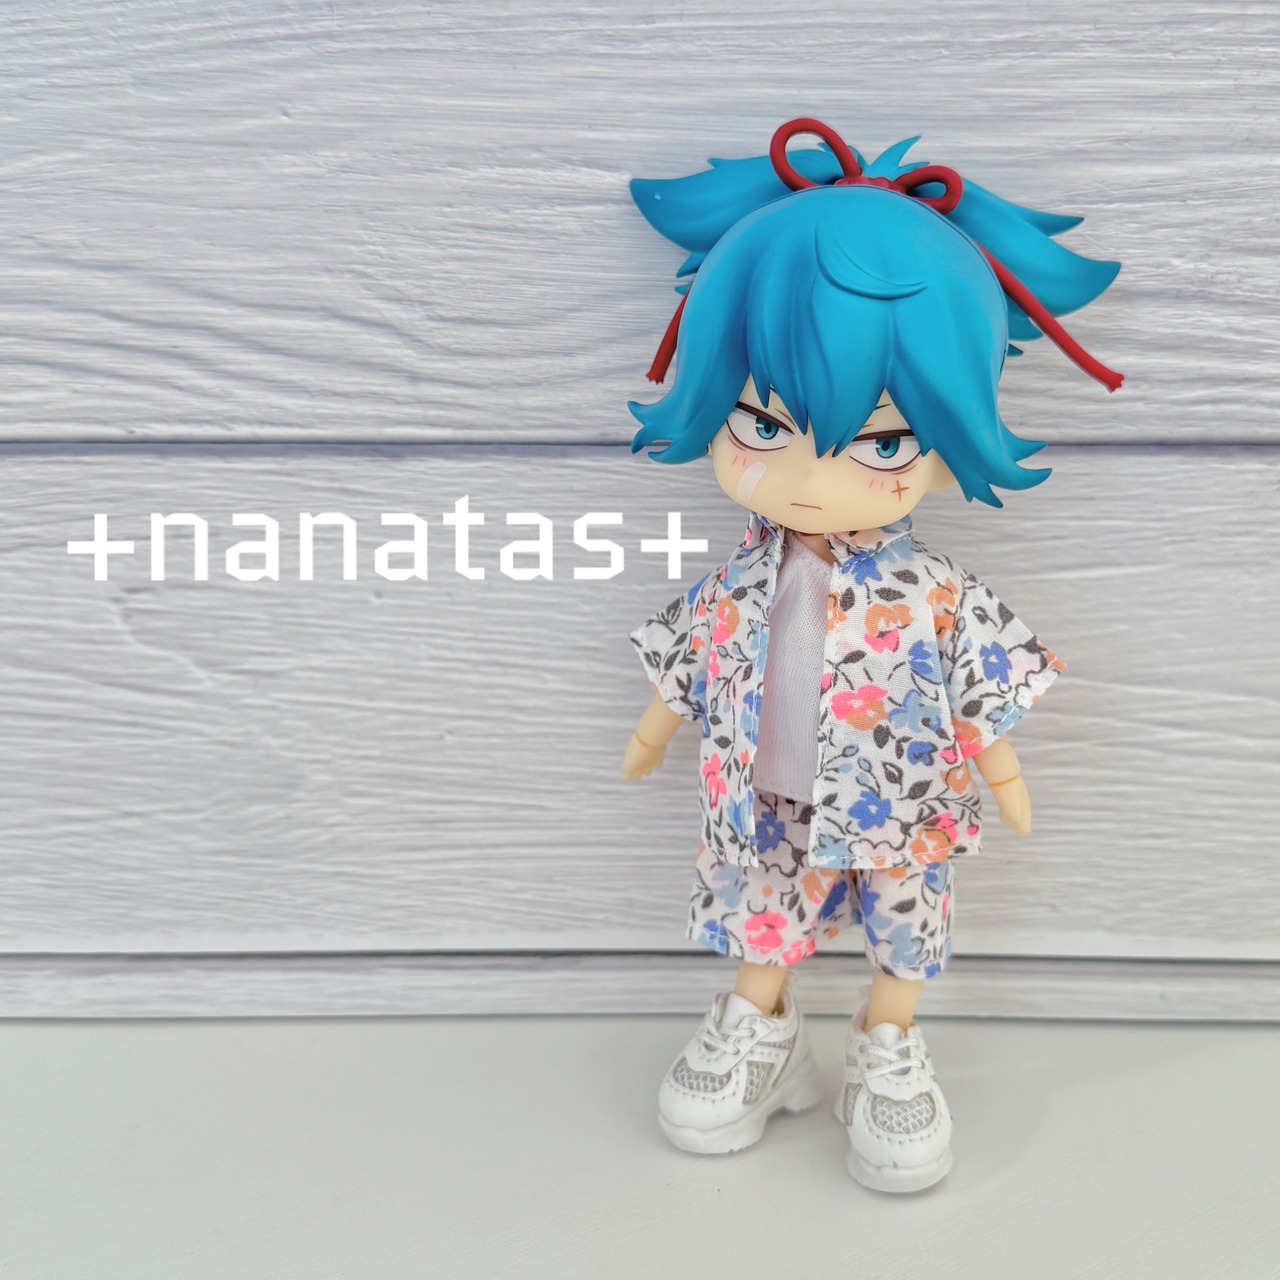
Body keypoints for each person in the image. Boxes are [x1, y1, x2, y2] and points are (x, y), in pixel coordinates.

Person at [618, 119, 1121, 1193]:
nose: (812, 478)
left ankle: (884, 1044)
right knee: (766, 913)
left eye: (880, 443)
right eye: (762, 425)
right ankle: (763, 1032)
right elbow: (693, 654)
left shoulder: (931, 591)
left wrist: (1000, 768)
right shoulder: (738, 582)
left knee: (905, 923)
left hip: (901, 803)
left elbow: (977, 682)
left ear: (944, 442)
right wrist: (655, 726)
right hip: (770, 796)